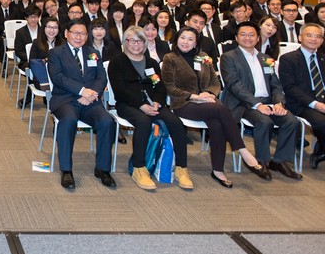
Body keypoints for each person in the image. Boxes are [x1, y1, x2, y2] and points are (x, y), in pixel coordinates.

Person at [162, 27, 269, 187]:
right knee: (220, 109)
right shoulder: (170, 58)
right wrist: (196, 97)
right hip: (184, 103)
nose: (186, 42)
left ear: (196, 42)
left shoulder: (203, 57)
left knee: (217, 123)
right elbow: (170, 87)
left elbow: (215, 82)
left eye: (190, 39)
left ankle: (218, 170)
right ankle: (241, 149)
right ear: (176, 39)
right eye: (183, 38)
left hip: (208, 102)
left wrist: (209, 93)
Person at [107, 26, 193, 190]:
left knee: (176, 124)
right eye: (132, 40)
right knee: (144, 122)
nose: (136, 44)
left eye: (140, 41)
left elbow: (159, 86)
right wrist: (141, 106)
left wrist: (157, 103)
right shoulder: (117, 62)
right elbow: (120, 90)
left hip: (153, 104)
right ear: (125, 42)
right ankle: (139, 168)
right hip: (128, 104)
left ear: (145, 44)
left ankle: (182, 168)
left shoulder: (151, 63)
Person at [220, 21, 302, 180]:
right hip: (243, 103)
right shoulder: (229, 57)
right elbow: (234, 85)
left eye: (252, 35)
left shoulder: (266, 59)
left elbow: (276, 84)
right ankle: (261, 161)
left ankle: (279, 161)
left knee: (292, 121)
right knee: (265, 122)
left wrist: (279, 102)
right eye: (243, 34)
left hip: (268, 102)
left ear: (258, 38)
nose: (247, 38)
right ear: (236, 38)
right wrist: (257, 105)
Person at [47, 19, 116, 190]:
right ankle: (66, 170)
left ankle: (103, 169)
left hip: (90, 100)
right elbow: (58, 78)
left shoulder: (93, 53)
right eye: (75, 33)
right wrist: (81, 91)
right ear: (66, 33)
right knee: (68, 121)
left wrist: (91, 94)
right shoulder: (56, 53)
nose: (79, 37)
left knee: (107, 121)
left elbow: (102, 77)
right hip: (65, 100)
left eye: (83, 33)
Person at [279, 23, 325, 169]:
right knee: (322, 123)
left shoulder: (323, 58)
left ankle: (321, 151)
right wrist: (316, 104)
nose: (313, 39)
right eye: (309, 35)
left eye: (318, 36)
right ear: (300, 37)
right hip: (302, 103)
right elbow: (290, 88)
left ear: (322, 40)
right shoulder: (288, 59)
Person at [14, 6, 42, 108]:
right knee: (33, 67)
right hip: (26, 61)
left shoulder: (44, 31)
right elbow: (18, 51)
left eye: (36, 17)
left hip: (43, 60)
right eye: (31, 17)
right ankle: (30, 96)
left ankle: (42, 93)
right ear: (26, 18)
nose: (33, 19)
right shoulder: (20, 32)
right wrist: (32, 58)